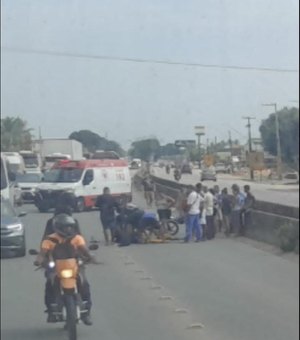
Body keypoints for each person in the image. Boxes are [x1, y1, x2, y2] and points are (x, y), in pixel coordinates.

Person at [34, 214, 94, 325]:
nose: (69, 229)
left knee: (85, 285)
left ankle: (87, 313)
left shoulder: (77, 238)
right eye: (66, 227)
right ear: (59, 227)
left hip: (75, 267)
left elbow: (85, 250)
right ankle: (51, 311)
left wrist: (90, 257)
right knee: (49, 285)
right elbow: (42, 253)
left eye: (70, 227)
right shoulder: (50, 239)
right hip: (56, 268)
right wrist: (39, 260)